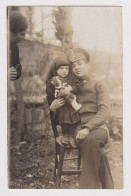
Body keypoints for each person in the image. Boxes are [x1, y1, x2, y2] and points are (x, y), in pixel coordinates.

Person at [49, 48, 114, 189]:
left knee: (91, 140)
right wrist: (52, 107)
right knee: (97, 150)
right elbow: (59, 110)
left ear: (87, 64)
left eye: (79, 63)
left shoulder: (99, 84)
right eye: (73, 65)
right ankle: (108, 188)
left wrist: (87, 127)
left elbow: (105, 111)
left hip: (98, 128)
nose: (76, 67)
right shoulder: (70, 88)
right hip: (76, 128)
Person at [46, 56, 82, 147]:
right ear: (56, 70)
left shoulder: (72, 78)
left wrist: (70, 88)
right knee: (64, 120)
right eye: (62, 68)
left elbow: (78, 86)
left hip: (70, 106)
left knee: (73, 119)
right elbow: (50, 93)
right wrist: (57, 95)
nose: (64, 71)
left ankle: (71, 137)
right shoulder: (53, 80)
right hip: (61, 105)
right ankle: (65, 136)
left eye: (67, 68)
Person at [8, 11, 28, 81]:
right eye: (22, 34)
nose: (24, 38)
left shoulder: (14, 47)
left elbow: (18, 67)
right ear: (11, 33)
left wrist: (15, 73)